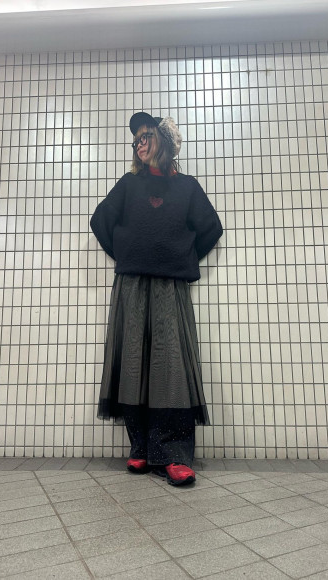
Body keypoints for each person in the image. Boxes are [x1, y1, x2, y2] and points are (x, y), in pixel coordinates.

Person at [90, 112, 223, 486]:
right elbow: (100, 220)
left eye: (146, 136)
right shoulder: (129, 184)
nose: (139, 144)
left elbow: (211, 228)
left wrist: (182, 256)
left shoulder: (187, 187)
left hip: (170, 286)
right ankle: (142, 448)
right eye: (135, 140)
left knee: (171, 367)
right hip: (132, 284)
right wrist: (127, 252)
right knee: (133, 364)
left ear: (164, 140)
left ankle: (174, 454)